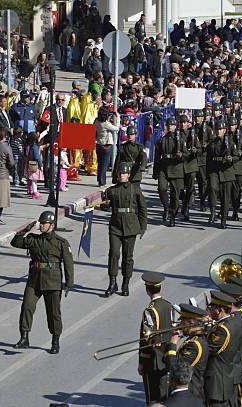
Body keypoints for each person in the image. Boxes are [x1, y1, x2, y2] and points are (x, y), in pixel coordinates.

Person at [11, 210, 74, 355]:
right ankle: (24, 338)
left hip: (52, 281)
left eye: (43, 223)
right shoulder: (34, 239)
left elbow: (68, 264)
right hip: (35, 279)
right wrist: (23, 231)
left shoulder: (61, 243)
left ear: (51, 225)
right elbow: (16, 243)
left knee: (53, 313)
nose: (41, 226)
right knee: (27, 306)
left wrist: (69, 282)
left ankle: (55, 340)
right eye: (41, 223)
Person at [102, 161, 147, 297]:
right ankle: (112, 283)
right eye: (121, 173)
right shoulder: (111, 190)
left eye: (125, 173)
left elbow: (143, 209)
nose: (122, 175)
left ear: (129, 175)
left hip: (131, 226)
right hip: (115, 226)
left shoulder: (135, 189)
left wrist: (142, 226)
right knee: (114, 254)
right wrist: (104, 201)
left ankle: (125, 283)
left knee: (128, 257)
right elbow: (105, 206)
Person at [139, 271, 173, 404]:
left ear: (147, 289)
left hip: (153, 361)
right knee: (164, 394)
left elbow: (145, 340)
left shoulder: (150, 310)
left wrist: (142, 362)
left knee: (153, 398)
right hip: (167, 357)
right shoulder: (168, 305)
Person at [95, 107, 119, 187]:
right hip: (106, 145)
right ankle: (102, 181)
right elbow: (116, 128)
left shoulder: (96, 121)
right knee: (104, 164)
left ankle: (99, 179)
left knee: (100, 163)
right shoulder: (106, 124)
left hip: (98, 144)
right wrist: (117, 117)